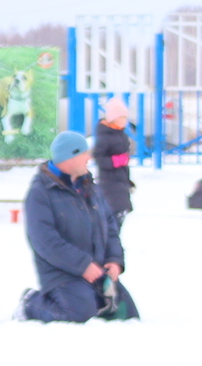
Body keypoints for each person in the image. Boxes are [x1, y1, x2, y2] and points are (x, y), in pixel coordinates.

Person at [16, 131, 138, 322]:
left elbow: (110, 226)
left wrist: (115, 260)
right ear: (69, 157)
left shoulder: (89, 185)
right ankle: (31, 304)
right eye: (84, 154)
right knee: (78, 314)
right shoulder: (40, 192)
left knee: (127, 313)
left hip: (97, 270)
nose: (89, 158)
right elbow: (45, 241)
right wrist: (83, 266)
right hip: (62, 273)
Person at [92, 96, 135, 229]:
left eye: (125, 117)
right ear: (113, 118)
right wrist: (115, 161)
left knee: (121, 212)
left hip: (120, 181)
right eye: (121, 117)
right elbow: (99, 158)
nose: (124, 121)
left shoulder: (120, 134)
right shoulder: (104, 135)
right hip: (109, 182)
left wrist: (128, 181)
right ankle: (110, 243)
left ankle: (113, 242)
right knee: (114, 213)